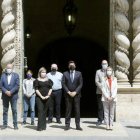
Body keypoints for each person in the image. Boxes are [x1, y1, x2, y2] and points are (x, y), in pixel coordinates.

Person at [62, 61, 83, 131]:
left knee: (77, 111)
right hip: (68, 95)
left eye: (73, 65)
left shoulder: (79, 73)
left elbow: (80, 84)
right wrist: (68, 92)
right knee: (68, 110)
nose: (72, 66)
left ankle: (78, 126)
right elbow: (63, 84)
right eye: (70, 65)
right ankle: (67, 125)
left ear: (75, 66)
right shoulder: (65, 74)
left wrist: (75, 92)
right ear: (68, 66)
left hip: (76, 95)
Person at [1, 63, 19, 130]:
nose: (8, 69)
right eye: (7, 68)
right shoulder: (3, 75)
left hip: (13, 96)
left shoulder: (16, 75)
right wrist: (6, 91)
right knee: (5, 110)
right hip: (5, 96)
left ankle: (15, 125)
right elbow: (1, 86)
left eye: (10, 68)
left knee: (14, 110)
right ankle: (5, 124)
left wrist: (10, 92)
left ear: (12, 68)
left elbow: (17, 86)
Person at [34, 67, 53, 131]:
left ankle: (43, 126)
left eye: (44, 72)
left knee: (45, 112)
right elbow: (36, 89)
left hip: (47, 98)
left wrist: (48, 95)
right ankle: (39, 127)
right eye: (42, 72)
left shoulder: (49, 80)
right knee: (40, 111)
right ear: (40, 73)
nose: (43, 73)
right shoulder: (36, 80)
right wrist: (41, 96)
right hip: (39, 98)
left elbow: (50, 88)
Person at [95, 59, 108, 126]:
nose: (104, 65)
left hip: (108, 92)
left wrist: (107, 89)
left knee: (107, 106)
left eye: (105, 63)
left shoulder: (110, 71)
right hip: (100, 92)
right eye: (103, 64)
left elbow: (112, 79)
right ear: (101, 64)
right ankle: (100, 119)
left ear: (107, 64)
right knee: (100, 107)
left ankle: (107, 120)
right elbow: (96, 81)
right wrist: (102, 88)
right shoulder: (98, 72)